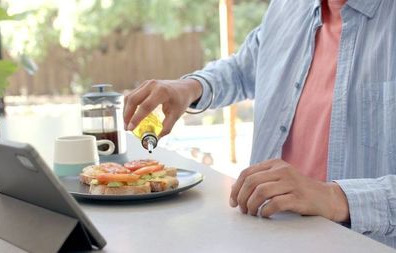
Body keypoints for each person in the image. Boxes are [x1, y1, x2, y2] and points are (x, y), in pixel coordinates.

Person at [123, 0, 396, 248]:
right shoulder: (287, 7)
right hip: (268, 234)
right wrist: (191, 87)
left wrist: (334, 197)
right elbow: (244, 69)